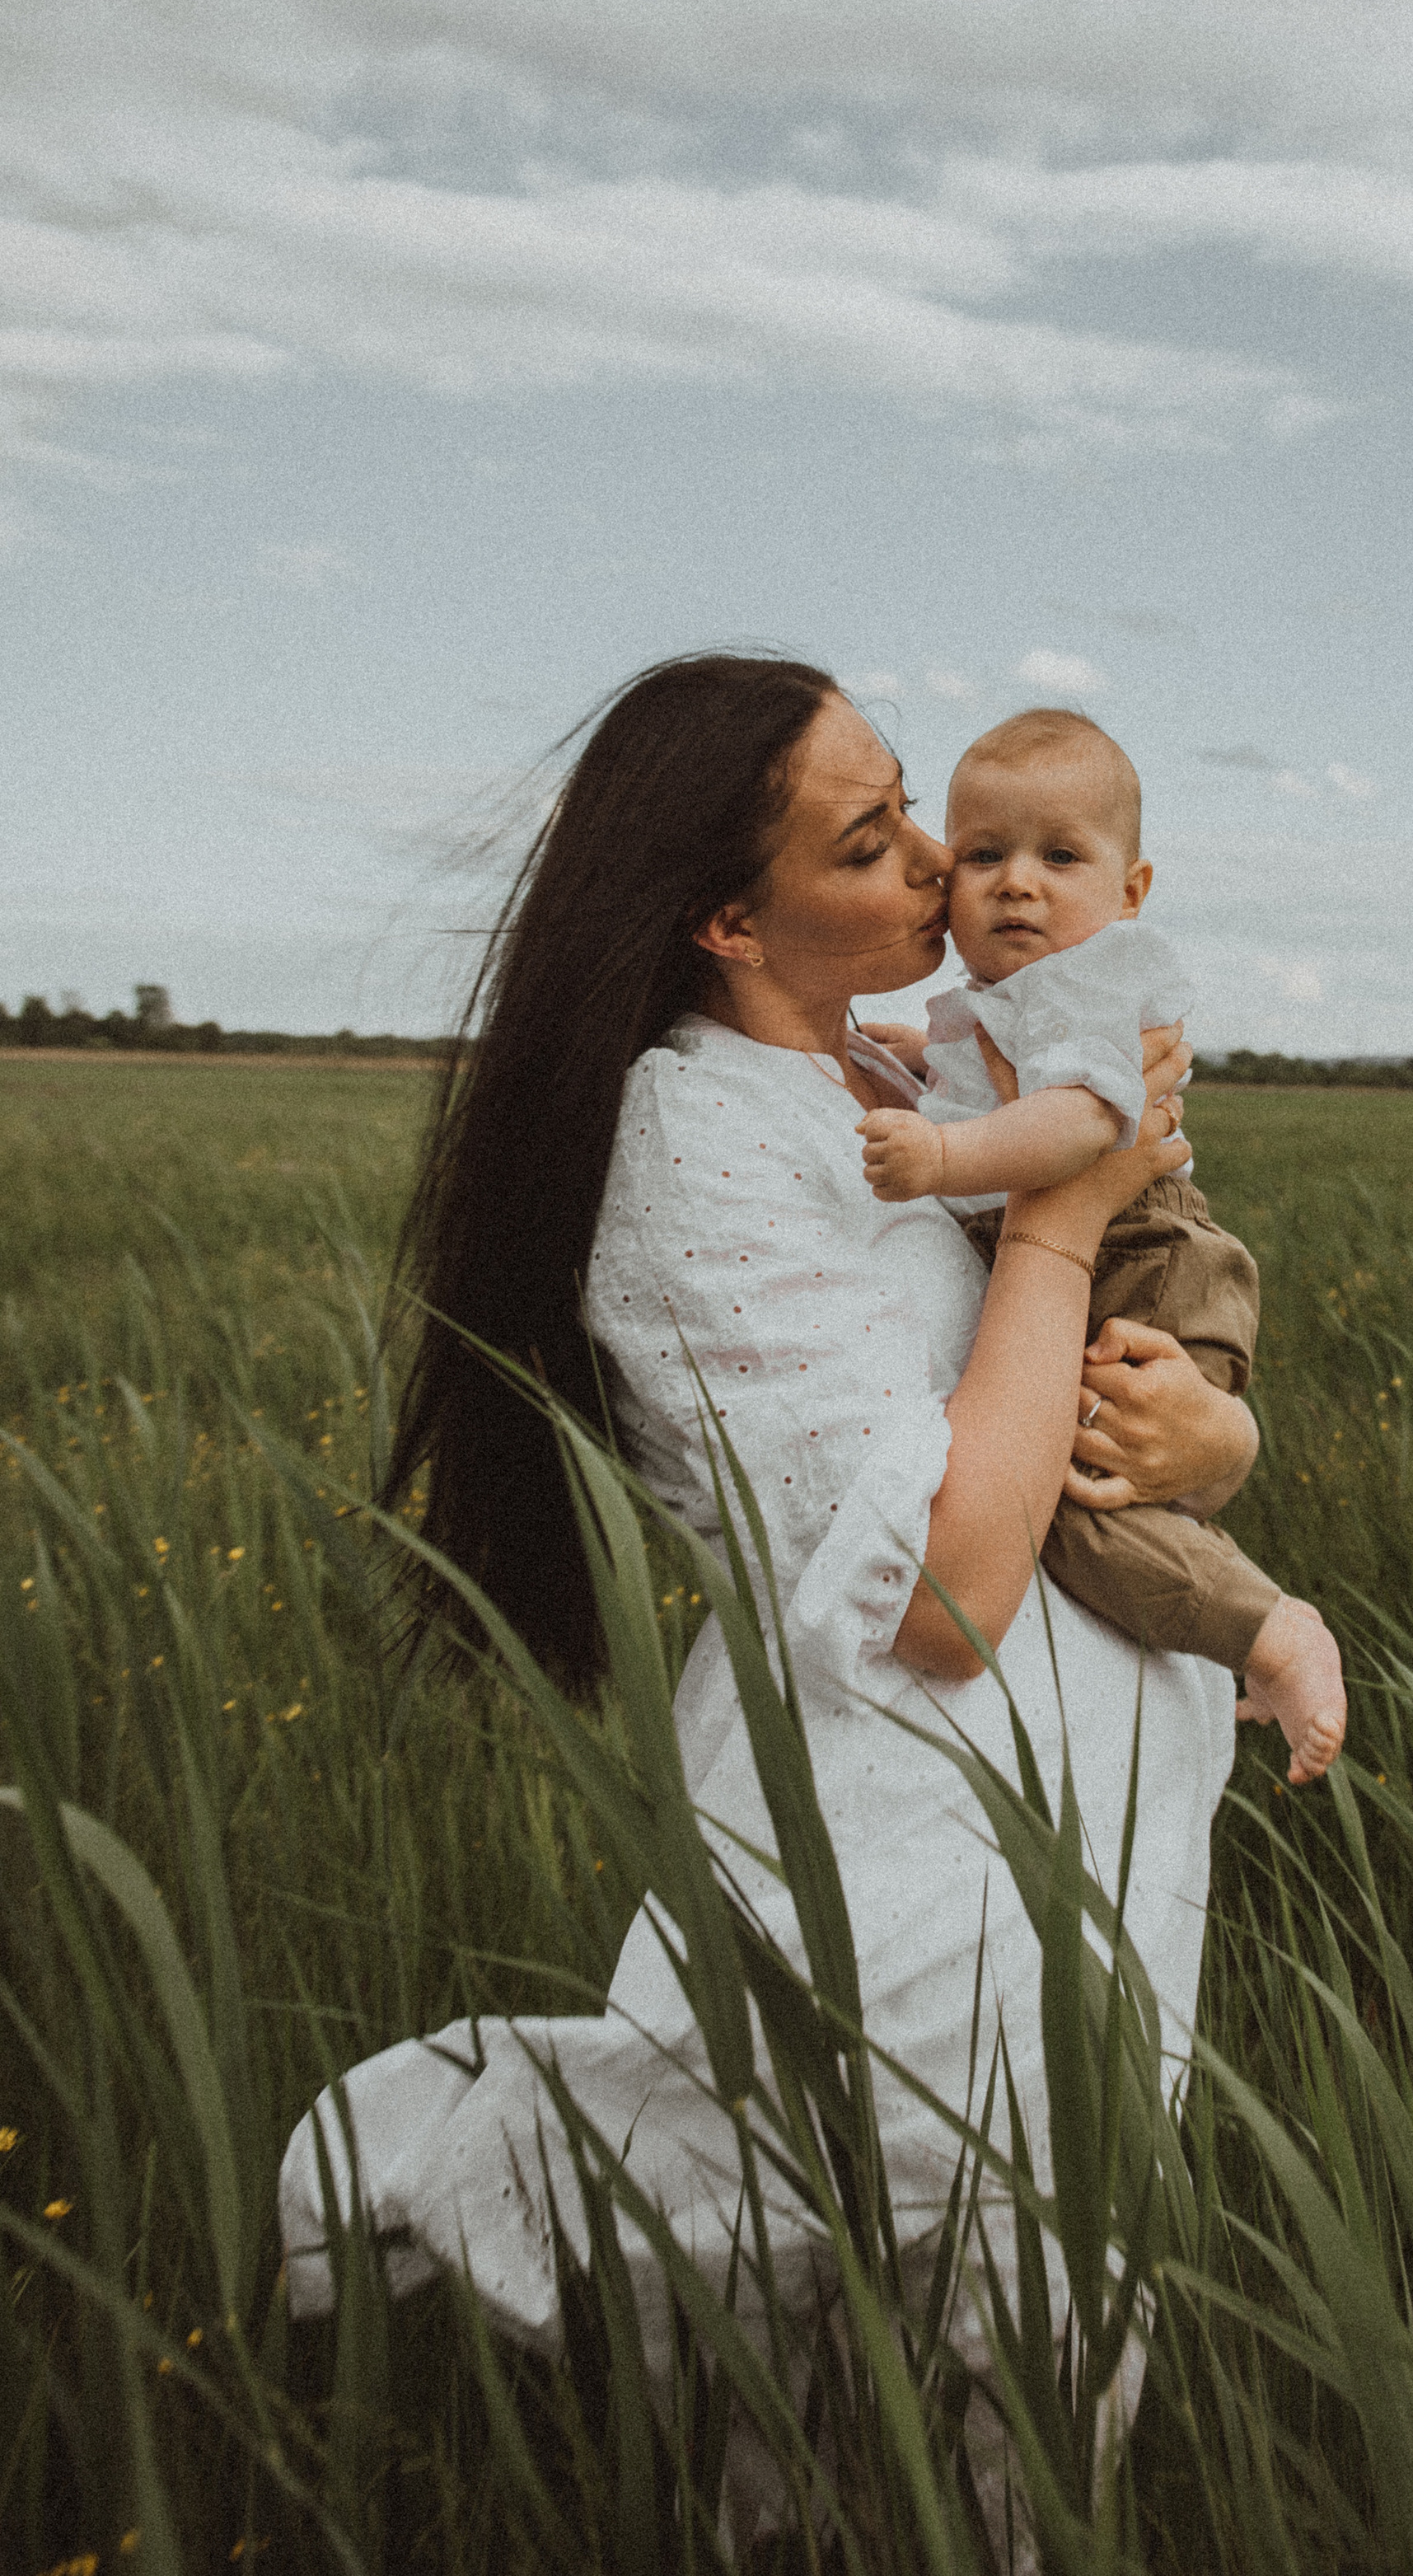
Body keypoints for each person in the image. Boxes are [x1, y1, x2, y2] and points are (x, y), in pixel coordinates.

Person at [278, 655, 1284, 2534]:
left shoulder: (896, 1075)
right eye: (870, 835)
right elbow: (947, 1596)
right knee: (887, 2413)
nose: (935, 862)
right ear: (731, 920)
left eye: (913, 803)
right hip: (908, 1873)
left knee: (1023, 2398)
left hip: (1064, 1862)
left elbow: (1085, 1373)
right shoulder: (695, 1149)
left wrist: (1207, 1449)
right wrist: (1068, 1203)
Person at [857, 705, 1345, 1780]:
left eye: (1059, 856)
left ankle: (1266, 1634)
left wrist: (944, 1160)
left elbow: (1082, 1123)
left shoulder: (1087, 981)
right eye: (983, 854)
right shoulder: (1013, 994)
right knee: (1107, 1473)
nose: (1015, 882)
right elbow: (989, 1076)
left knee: (1075, 1496)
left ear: (1131, 895)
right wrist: (917, 1067)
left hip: (1143, 1254)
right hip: (1131, 1258)